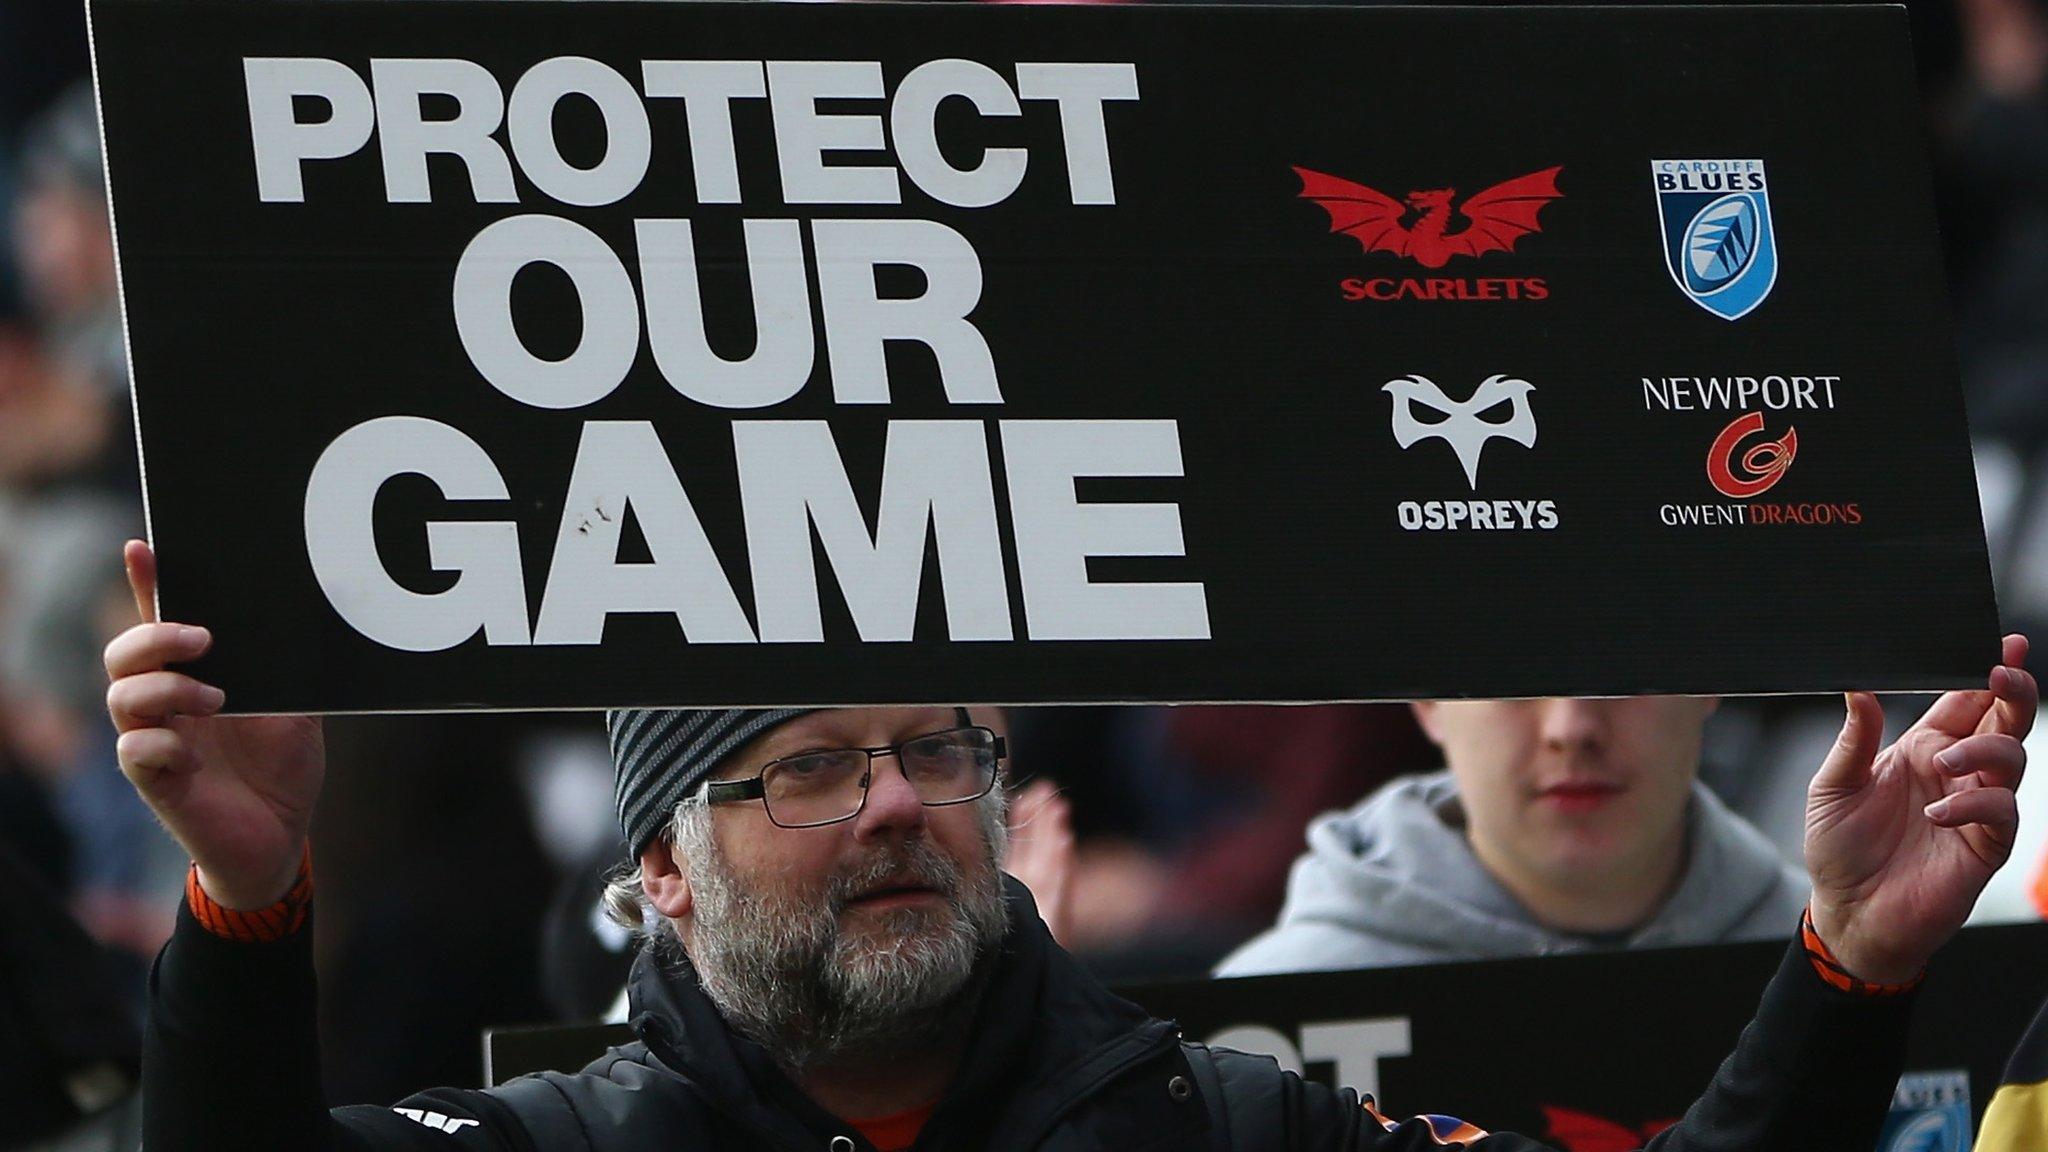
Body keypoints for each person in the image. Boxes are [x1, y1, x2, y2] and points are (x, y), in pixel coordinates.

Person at [106, 538, 2035, 1151]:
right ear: (660, 874)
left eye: (936, 748)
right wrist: (247, 898)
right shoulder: (558, 1143)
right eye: (803, 769)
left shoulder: (1225, 1125)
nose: (891, 801)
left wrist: (1848, 964)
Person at [1217, 696, 1806, 976]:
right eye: (1514, 679)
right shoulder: (1274, 1012)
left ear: (1706, 683)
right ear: (1427, 702)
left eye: (1621, 667)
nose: (1571, 728)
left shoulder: (1858, 966)